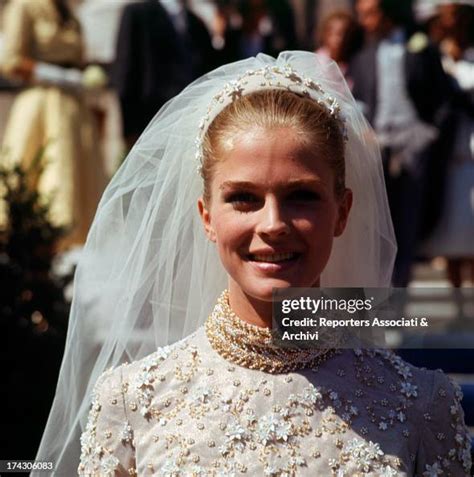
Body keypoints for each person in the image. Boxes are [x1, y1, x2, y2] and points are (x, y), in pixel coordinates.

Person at [33, 52, 471, 476]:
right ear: (207, 216)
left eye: (301, 196)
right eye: (244, 198)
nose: (273, 224)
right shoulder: (130, 403)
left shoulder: (421, 406)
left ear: (341, 212)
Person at [350, 0, 451, 286]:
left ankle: (399, 304)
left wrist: (429, 134)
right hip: (376, 146)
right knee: (377, 227)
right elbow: (359, 101)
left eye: (369, 14)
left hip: (413, 143)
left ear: (386, 14)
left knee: (407, 225)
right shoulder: (364, 55)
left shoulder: (420, 48)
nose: (364, 21)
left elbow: (441, 98)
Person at [0, 0, 107, 247]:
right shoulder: (24, 6)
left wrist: (86, 82)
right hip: (42, 106)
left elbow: (80, 59)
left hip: (75, 110)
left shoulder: (69, 12)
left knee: (82, 191)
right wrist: (59, 76)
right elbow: (11, 61)